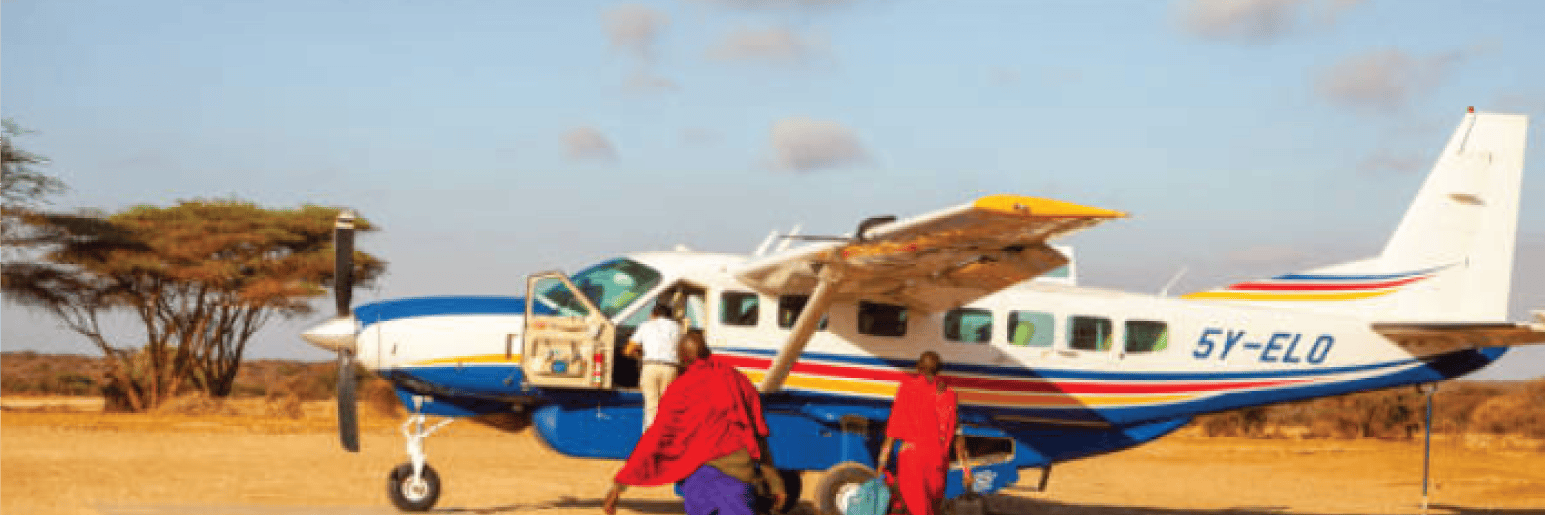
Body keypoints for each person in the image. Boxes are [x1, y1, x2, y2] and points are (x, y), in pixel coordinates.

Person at [602, 330, 786, 515]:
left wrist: (619, 485)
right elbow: (757, 432)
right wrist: (775, 482)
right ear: (707, 351)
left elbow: (655, 437)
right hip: (738, 478)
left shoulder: (679, 389)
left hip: (697, 482)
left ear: (681, 359)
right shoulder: (737, 380)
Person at [876, 351, 972, 515]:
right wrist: (966, 471)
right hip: (937, 463)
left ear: (918, 367)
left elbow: (892, 433)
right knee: (932, 509)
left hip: (912, 460)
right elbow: (957, 435)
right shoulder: (948, 394)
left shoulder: (906, 389)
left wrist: (881, 463)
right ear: (939, 369)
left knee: (916, 508)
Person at [628, 303, 682, 430]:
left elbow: (628, 349)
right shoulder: (678, 328)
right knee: (667, 405)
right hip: (670, 368)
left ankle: (650, 436)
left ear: (654, 314)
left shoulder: (646, 325)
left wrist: (640, 353)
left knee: (651, 405)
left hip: (650, 366)